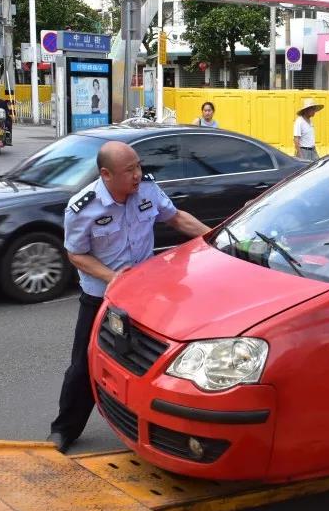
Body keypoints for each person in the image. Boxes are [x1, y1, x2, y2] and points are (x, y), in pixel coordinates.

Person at [47, 141, 212, 453]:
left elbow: (175, 217)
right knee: (83, 367)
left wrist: (214, 236)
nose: (138, 175)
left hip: (145, 298)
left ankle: (150, 430)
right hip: (102, 301)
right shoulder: (83, 207)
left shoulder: (146, 190)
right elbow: (76, 255)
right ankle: (63, 431)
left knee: (149, 366)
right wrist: (113, 278)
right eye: (129, 170)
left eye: (138, 166)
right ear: (106, 174)